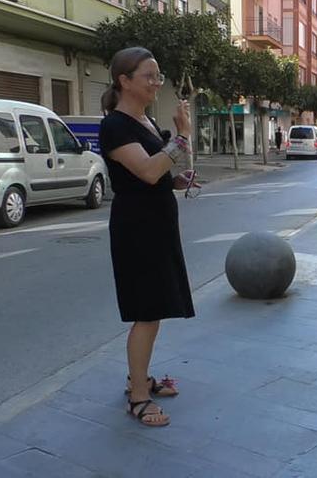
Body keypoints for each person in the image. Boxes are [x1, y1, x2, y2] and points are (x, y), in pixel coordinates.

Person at [98, 47, 200, 427]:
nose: (157, 83)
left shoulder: (145, 121)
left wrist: (175, 179)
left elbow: (157, 173)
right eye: (150, 76)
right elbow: (144, 170)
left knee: (153, 310)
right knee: (146, 312)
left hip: (155, 223)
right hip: (136, 228)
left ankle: (138, 378)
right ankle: (138, 397)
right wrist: (183, 136)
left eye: (159, 76)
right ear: (125, 81)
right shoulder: (115, 125)